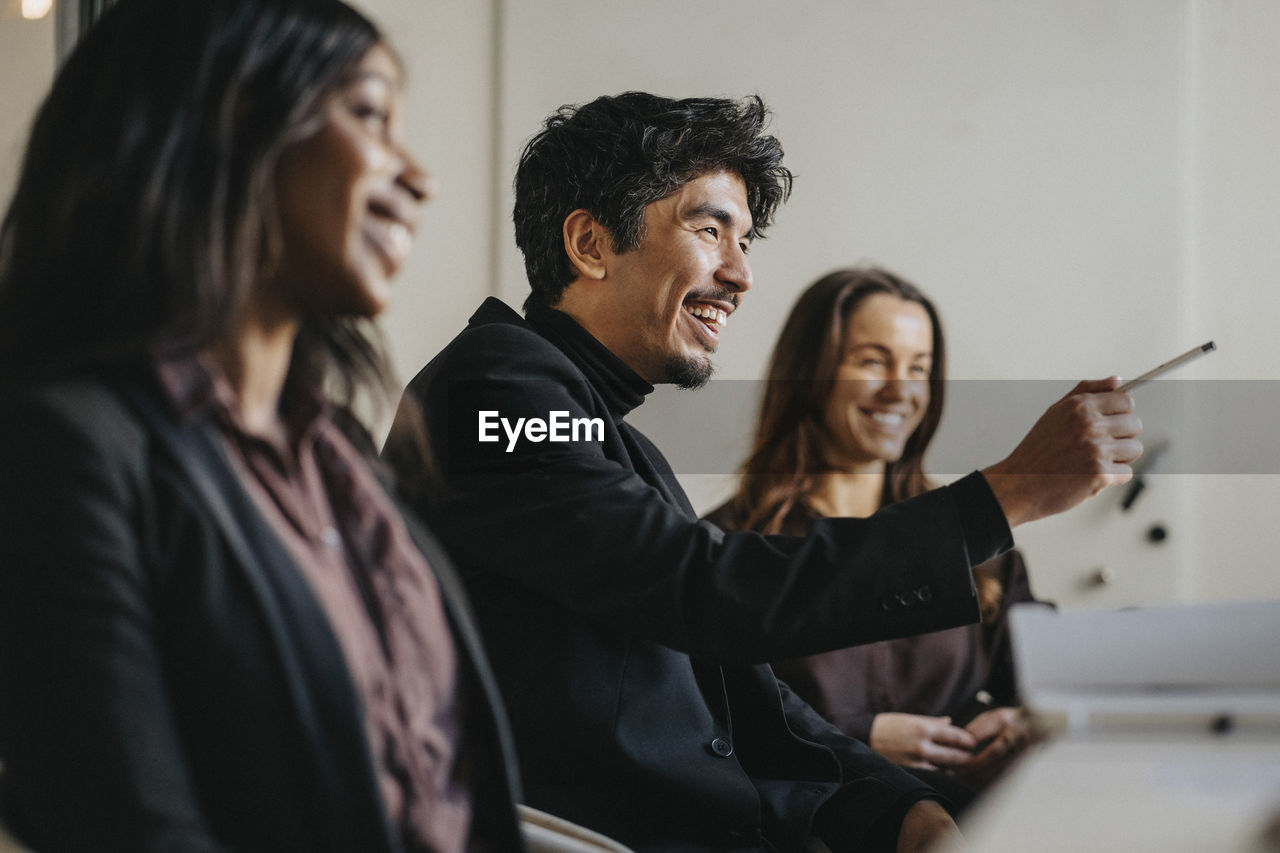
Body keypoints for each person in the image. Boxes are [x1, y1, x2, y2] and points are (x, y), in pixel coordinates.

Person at [383, 92, 1142, 852]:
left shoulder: (616, 440)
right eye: (710, 229)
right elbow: (708, 592)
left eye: (745, 240)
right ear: (589, 242)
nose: (741, 274)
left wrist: (892, 802)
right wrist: (1006, 494)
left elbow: (748, 691)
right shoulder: (496, 387)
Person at [0, 1, 526, 850]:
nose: (418, 176)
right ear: (225, 124)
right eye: (368, 115)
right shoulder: (63, 450)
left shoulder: (343, 457)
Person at [706, 266, 1040, 811]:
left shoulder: (981, 551)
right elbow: (711, 732)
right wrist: (859, 736)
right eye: (872, 361)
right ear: (810, 373)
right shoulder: (723, 549)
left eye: (919, 368)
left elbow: (1048, 679)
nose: (900, 390)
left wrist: (1020, 724)